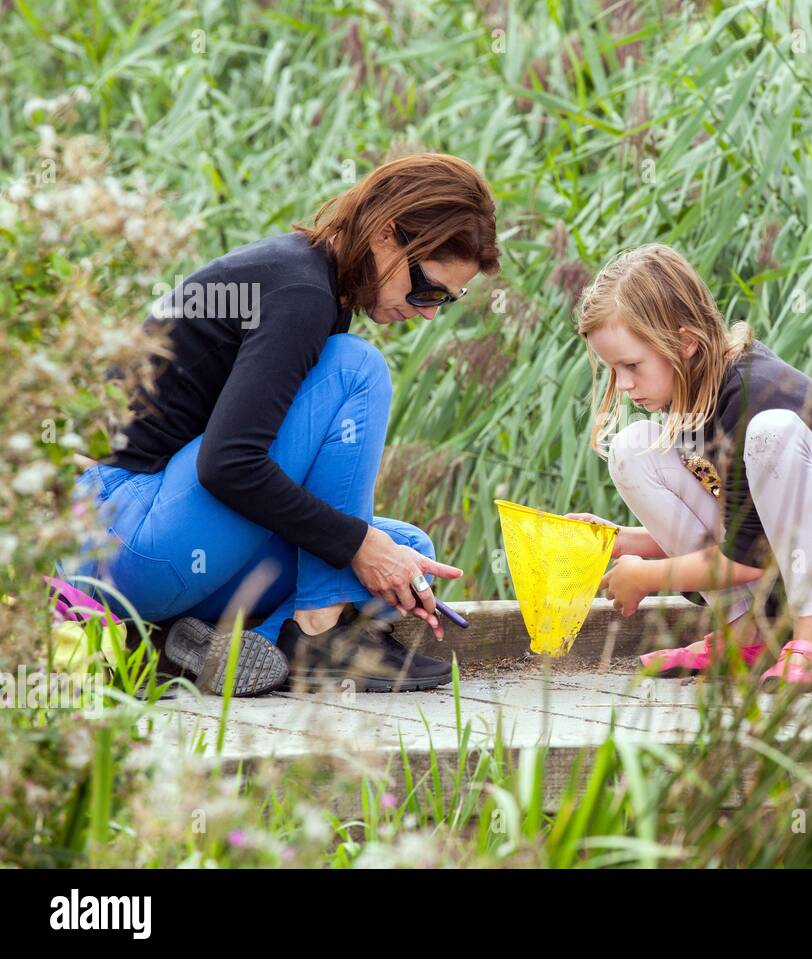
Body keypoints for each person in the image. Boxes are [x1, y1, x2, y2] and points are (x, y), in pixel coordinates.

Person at [62, 153, 498, 696]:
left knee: (410, 554)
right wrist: (357, 543)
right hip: (122, 535)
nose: (429, 313)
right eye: (428, 289)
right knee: (357, 370)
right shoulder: (300, 292)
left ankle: (210, 642)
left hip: (161, 546)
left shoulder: (315, 286)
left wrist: (366, 546)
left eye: (447, 302)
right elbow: (227, 465)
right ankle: (319, 635)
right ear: (388, 235)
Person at [567, 244, 812, 690]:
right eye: (614, 369)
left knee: (773, 431)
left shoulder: (753, 392)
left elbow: (748, 556)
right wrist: (614, 542)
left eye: (632, 365)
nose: (625, 384)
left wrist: (650, 577)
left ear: (686, 342)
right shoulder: (693, 396)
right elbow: (748, 522)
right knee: (633, 447)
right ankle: (746, 632)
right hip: (792, 564)